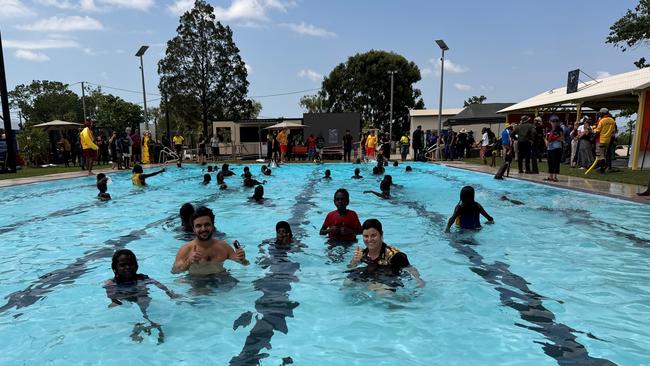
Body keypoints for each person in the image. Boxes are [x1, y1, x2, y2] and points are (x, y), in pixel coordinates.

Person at [104, 249, 177, 344]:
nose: (127, 267)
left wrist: (170, 294)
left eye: (131, 264)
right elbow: (113, 297)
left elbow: (159, 285)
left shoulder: (142, 278)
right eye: (122, 265)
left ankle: (149, 325)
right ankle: (144, 326)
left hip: (143, 300)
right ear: (115, 268)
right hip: (127, 302)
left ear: (136, 266)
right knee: (137, 310)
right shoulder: (111, 283)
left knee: (144, 306)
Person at [347, 219, 425, 288]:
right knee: (347, 282)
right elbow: (350, 267)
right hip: (372, 274)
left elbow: (410, 269)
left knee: (381, 291)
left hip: (389, 277)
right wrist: (354, 262)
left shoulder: (395, 256)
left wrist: (418, 280)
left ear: (381, 235)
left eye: (373, 235)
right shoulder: (363, 254)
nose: (369, 239)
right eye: (366, 236)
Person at [171, 207, 248, 275]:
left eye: (207, 224)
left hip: (221, 277)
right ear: (193, 229)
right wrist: (189, 261)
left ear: (213, 225)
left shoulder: (223, 247)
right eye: (199, 226)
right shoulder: (186, 249)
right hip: (197, 280)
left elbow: (245, 263)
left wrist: (243, 259)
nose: (203, 229)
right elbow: (175, 271)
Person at [593, 108, 617, 173]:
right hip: (607, 141)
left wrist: (593, 129)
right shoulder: (612, 120)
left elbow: (597, 131)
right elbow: (613, 131)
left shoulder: (602, 120)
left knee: (600, 155)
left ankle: (601, 169)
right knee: (604, 154)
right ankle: (604, 167)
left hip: (600, 140)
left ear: (603, 113)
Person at [544, 115, 564, 182]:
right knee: (550, 162)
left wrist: (554, 138)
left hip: (556, 147)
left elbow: (562, 138)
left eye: (556, 121)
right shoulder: (549, 129)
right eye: (553, 121)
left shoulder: (559, 129)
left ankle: (555, 176)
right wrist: (546, 141)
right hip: (550, 148)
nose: (554, 123)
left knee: (556, 162)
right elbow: (545, 137)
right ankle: (550, 176)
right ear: (550, 122)